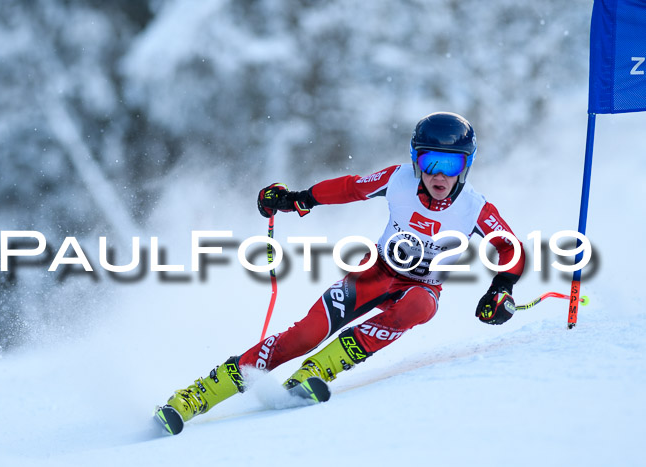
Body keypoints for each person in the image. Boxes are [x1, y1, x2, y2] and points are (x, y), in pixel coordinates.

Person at [155, 112, 526, 434]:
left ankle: (317, 371)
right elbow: (350, 188)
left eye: (452, 165)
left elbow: (511, 248)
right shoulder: (397, 181)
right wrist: (298, 199)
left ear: (467, 166)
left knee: (420, 307)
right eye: (431, 162)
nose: (439, 176)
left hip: (423, 286)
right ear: (415, 160)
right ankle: (195, 396)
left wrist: (501, 287)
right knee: (304, 335)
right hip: (376, 272)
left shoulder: (474, 207)